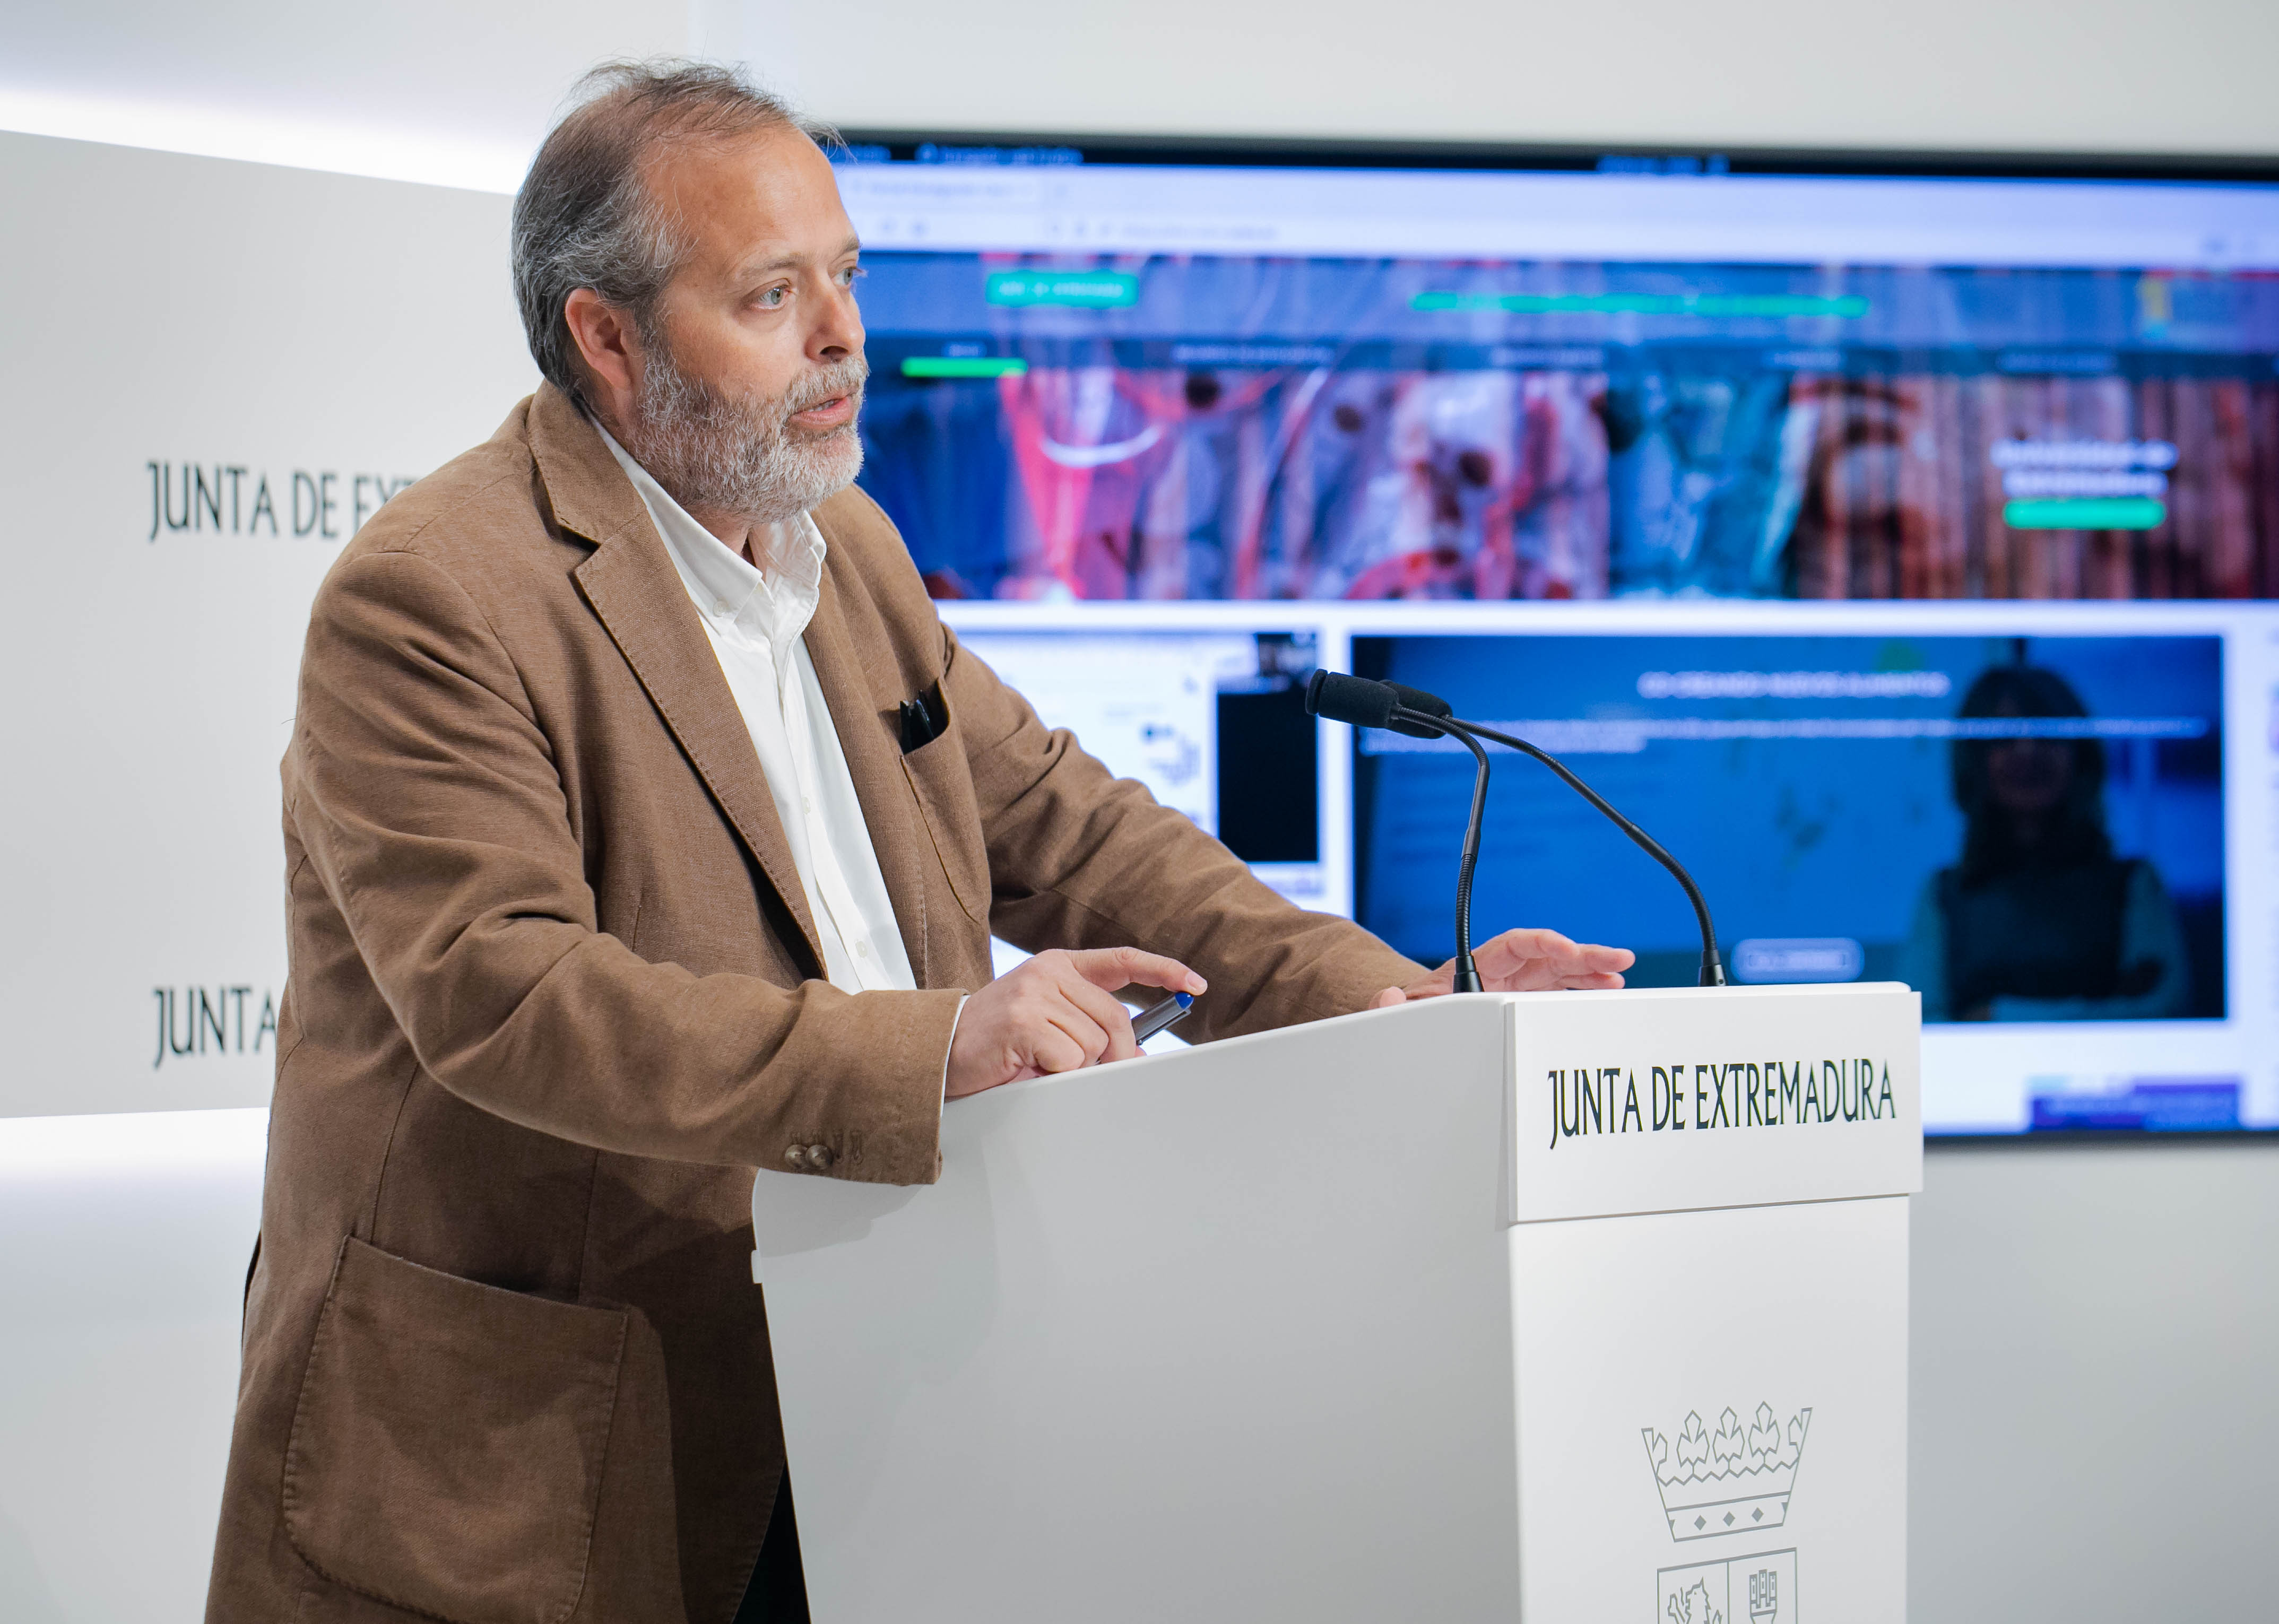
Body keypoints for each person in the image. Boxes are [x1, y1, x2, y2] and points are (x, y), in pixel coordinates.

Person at [202, 61, 1632, 1624]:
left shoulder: (847, 549)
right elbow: (510, 998)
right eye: (769, 297)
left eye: (847, 277)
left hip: (877, 1389)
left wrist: (1392, 1004)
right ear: (606, 340)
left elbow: (1073, 826)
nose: (842, 339)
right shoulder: (436, 597)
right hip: (552, 1449)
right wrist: (938, 1047)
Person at [1901, 662, 2188, 1022]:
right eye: (2004, 738)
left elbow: (2160, 1009)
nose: (2028, 751)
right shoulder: (1944, 894)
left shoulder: (2133, 885)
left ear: (2079, 754)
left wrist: (1998, 1015)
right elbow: (1921, 1022)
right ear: (1975, 760)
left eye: (2047, 734)